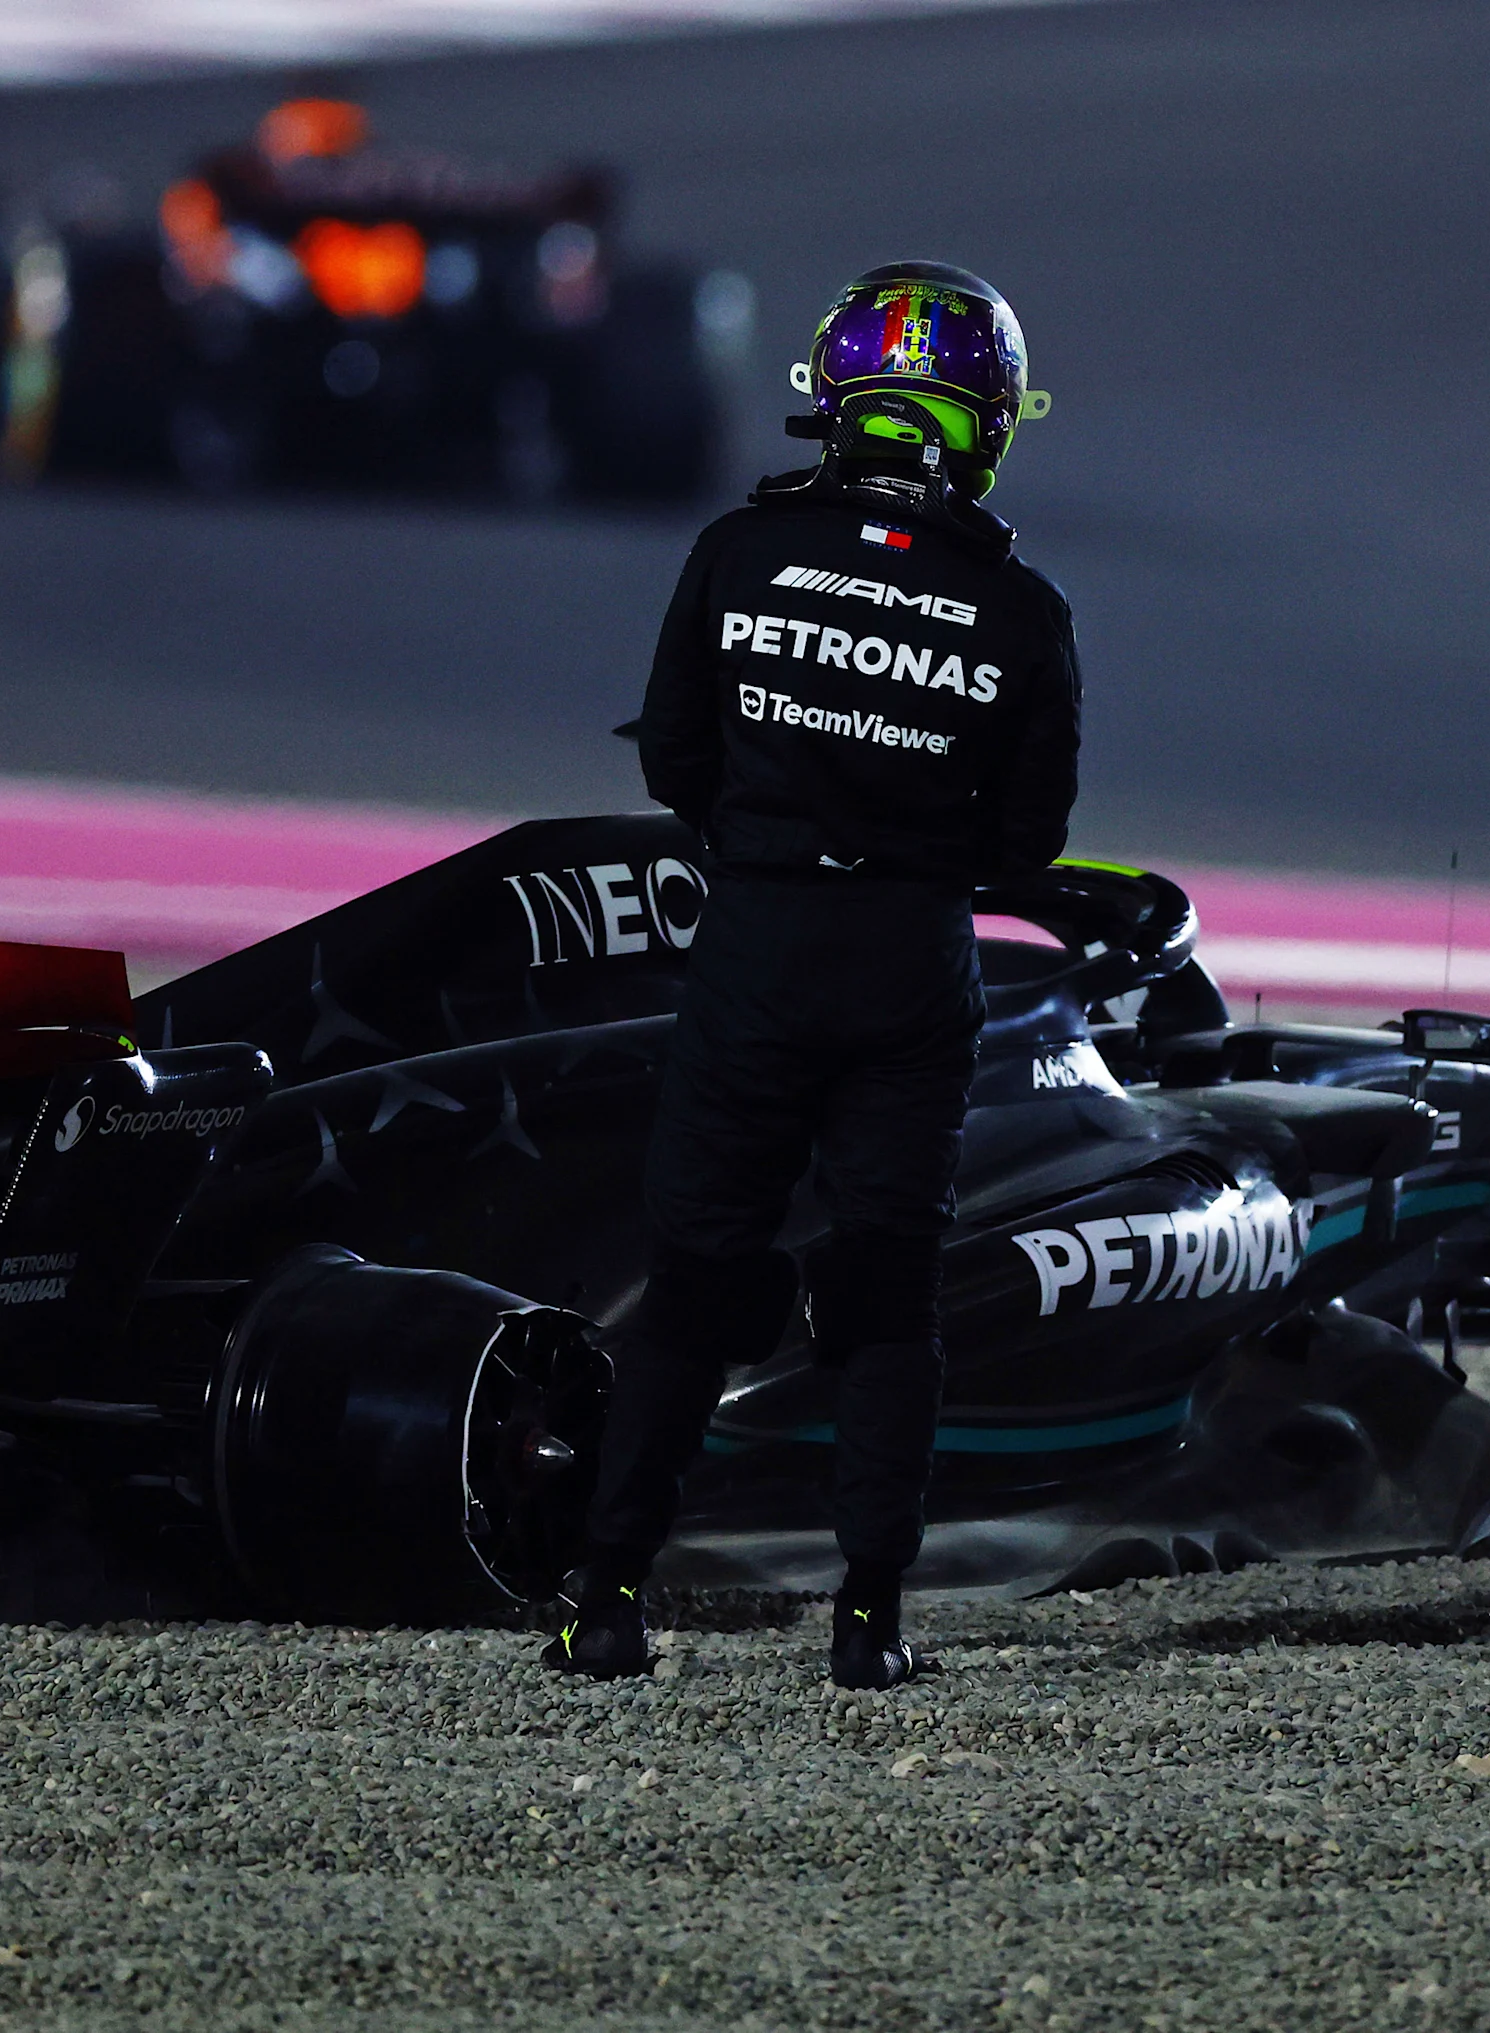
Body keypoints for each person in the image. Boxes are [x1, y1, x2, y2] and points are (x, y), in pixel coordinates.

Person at [542, 261, 1082, 1690]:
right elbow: (1029, 844)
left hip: (759, 951)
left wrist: (778, 839)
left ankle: (603, 1602)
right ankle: (869, 1622)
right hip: (910, 966)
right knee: (886, 1295)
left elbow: (673, 761)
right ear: (984, 423)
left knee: (696, 1281)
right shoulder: (1025, 613)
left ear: (834, 402)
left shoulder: (736, 551)